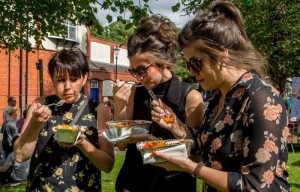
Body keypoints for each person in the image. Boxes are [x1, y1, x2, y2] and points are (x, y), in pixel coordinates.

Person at [152, 1, 290, 191]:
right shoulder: (218, 95)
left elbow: (256, 185)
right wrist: (176, 125)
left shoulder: (262, 99)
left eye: (196, 63)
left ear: (222, 54)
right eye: (187, 65)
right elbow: (208, 151)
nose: (191, 72)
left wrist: (190, 167)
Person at [113, 15, 204, 192]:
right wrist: (119, 106)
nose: (138, 77)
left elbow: (196, 156)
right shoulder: (135, 92)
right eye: (133, 71)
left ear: (162, 61)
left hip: (172, 185)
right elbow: (121, 145)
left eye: (142, 70)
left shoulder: (190, 97)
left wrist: (153, 140)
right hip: (132, 183)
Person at [14, 48, 115, 191]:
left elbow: (108, 165)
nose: (67, 87)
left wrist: (82, 143)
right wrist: (34, 124)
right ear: (52, 78)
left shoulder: (98, 110)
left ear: (85, 78)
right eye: (61, 80)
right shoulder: (40, 105)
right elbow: (20, 156)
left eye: (74, 79)